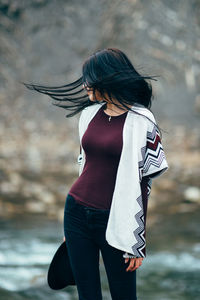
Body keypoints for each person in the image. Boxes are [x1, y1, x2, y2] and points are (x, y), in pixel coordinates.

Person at [24, 48, 169, 300]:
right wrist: (69, 229)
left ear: (107, 78)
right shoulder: (88, 115)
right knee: (87, 296)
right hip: (76, 213)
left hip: (116, 221)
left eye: (89, 80)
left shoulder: (142, 120)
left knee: (124, 296)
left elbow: (144, 181)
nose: (85, 85)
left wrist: (137, 241)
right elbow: (85, 166)